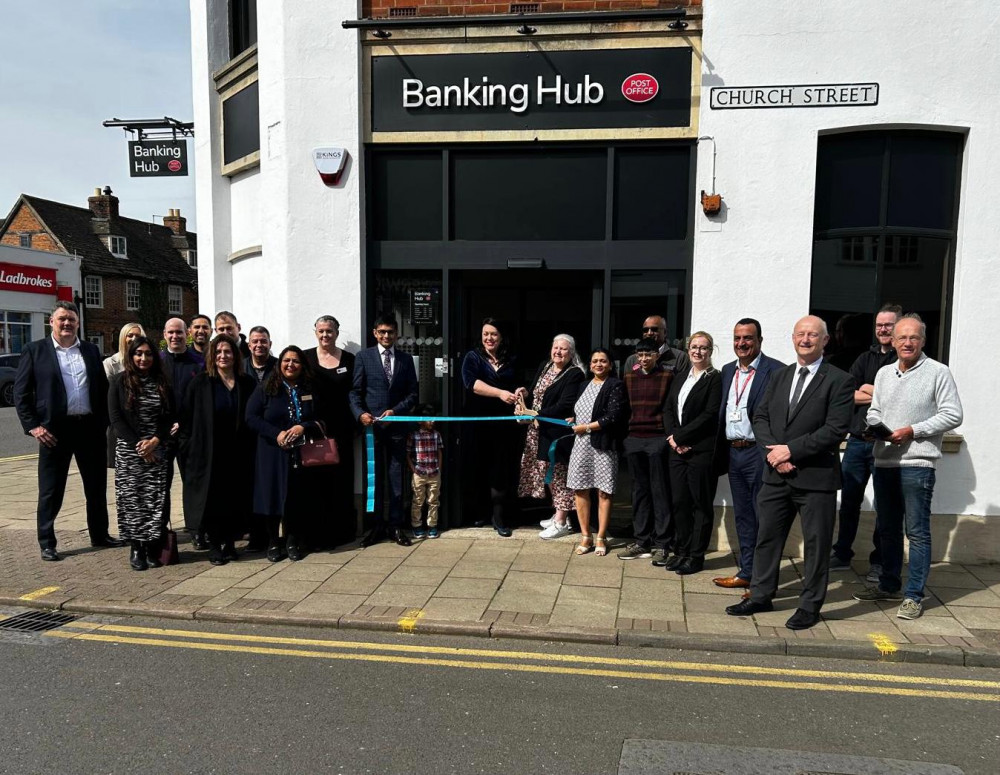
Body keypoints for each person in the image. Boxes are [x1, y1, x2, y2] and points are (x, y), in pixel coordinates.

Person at [725, 315, 853, 630]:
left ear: (825, 340)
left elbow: (835, 429)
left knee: (816, 545)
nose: (805, 339)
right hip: (776, 475)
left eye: (812, 335)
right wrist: (776, 454)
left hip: (816, 478)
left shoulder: (839, 379)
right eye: (800, 334)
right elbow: (761, 416)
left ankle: (809, 606)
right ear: (793, 338)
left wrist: (790, 450)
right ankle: (761, 595)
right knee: (766, 539)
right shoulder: (779, 376)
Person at [853, 315, 963, 620]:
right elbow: (875, 410)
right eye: (901, 337)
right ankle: (888, 584)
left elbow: (953, 414)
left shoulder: (938, 372)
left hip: (918, 463)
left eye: (913, 337)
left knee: (916, 532)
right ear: (893, 341)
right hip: (885, 460)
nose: (907, 342)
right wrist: (871, 427)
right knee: (886, 529)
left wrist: (912, 430)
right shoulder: (885, 373)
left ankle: (914, 595)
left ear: (923, 341)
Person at [14, 301, 121, 560]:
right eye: (62, 319)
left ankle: (100, 534)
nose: (66, 323)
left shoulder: (91, 350)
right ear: (51, 322)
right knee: (51, 490)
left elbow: (101, 390)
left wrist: (105, 421)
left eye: (71, 319)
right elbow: (21, 393)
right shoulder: (34, 350)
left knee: (95, 487)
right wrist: (34, 427)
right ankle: (47, 542)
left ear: (78, 323)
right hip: (54, 432)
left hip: (89, 429)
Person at [830, 304, 901, 578]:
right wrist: (877, 392)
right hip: (858, 441)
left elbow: (897, 396)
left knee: (885, 506)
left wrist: (870, 390)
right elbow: (849, 394)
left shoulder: (904, 359)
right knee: (848, 502)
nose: (883, 329)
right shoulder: (864, 358)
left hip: (886, 443)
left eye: (889, 325)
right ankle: (842, 554)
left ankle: (879, 561)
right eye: (880, 325)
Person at [712, 319, 784, 589]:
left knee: (762, 516)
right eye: (737, 338)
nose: (741, 344)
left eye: (748, 338)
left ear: (760, 341)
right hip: (733, 452)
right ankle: (746, 571)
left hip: (758, 452)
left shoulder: (775, 371)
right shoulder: (728, 370)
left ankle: (764, 580)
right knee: (742, 514)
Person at [179, 334, 257, 565]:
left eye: (228, 351)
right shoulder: (201, 383)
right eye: (219, 352)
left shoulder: (247, 383)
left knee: (235, 499)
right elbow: (186, 419)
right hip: (209, 454)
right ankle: (215, 545)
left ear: (236, 355)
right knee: (213, 501)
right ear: (212, 355)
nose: (224, 356)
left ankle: (230, 543)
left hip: (238, 453)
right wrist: (189, 448)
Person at [246, 346, 325, 561]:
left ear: (302, 365)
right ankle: (273, 542)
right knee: (272, 497)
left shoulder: (309, 388)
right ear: (279, 363)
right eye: (286, 360)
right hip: (272, 452)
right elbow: (251, 418)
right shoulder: (266, 388)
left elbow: (323, 418)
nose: (290, 365)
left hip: (302, 453)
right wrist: (276, 433)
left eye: (296, 361)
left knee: (296, 498)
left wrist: (304, 427)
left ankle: (292, 540)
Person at [349, 314, 419, 547]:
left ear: (397, 334)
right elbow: (355, 392)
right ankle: (376, 526)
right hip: (373, 430)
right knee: (374, 478)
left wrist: (396, 410)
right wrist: (360, 414)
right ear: (375, 333)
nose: (386, 336)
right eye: (382, 332)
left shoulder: (406, 360)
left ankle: (396, 525)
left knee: (396, 477)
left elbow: (413, 394)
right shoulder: (363, 357)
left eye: (390, 332)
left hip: (397, 428)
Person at [108, 336, 175, 571]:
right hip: (129, 451)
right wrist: (140, 446)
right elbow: (116, 418)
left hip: (157, 449)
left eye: (148, 354)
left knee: (154, 501)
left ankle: (150, 547)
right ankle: (135, 547)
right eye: (138, 354)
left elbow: (169, 416)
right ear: (131, 356)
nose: (143, 358)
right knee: (131, 500)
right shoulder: (119, 382)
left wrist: (155, 441)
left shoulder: (162, 382)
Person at [661, 332, 723, 575]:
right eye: (694, 347)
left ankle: (696, 556)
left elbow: (710, 415)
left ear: (711, 351)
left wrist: (681, 437)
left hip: (700, 451)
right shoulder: (681, 376)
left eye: (704, 347)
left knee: (700, 505)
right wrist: (672, 438)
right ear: (688, 349)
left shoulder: (714, 378)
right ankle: (682, 551)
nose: (698, 351)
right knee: (679, 503)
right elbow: (668, 408)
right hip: (677, 450)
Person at [460, 318, 526, 534]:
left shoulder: (512, 359)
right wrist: (499, 393)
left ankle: (499, 518)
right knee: (478, 467)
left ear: (501, 337)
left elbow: (519, 383)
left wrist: (521, 392)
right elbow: (473, 384)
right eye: (486, 333)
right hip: (478, 424)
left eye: (494, 334)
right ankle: (479, 513)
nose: (489, 338)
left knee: (501, 470)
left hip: (504, 427)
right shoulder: (472, 357)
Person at [518, 334, 586, 540]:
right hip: (538, 430)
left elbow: (565, 405)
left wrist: (536, 414)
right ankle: (557, 512)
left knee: (558, 476)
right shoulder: (545, 366)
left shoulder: (574, 374)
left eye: (563, 349)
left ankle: (561, 521)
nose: (558, 352)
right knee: (547, 474)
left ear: (571, 353)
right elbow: (536, 392)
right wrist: (525, 393)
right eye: (555, 347)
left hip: (556, 433)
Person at [566, 348, 629, 556]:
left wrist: (586, 427)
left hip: (603, 445)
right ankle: (586, 536)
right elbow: (581, 411)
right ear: (590, 364)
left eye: (603, 361)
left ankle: (601, 536)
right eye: (595, 361)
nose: (598, 364)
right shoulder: (583, 385)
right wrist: (574, 421)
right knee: (580, 489)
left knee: (604, 491)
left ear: (610, 365)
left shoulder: (615, 385)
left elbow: (613, 417)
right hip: (581, 445)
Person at [617, 337, 675, 562]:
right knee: (639, 492)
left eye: (648, 354)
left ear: (656, 355)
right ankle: (641, 541)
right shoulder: (629, 376)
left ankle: (662, 544)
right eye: (640, 355)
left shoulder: (667, 376)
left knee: (660, 492)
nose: (644, 359)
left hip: (657, 439)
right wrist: (626, 439)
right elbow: (624, 408)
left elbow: (671, 408)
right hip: (634, 439)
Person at [303, 315, 358, 548]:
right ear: (315, 331)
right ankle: (317, 534)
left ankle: (342, 532)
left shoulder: (350, 360)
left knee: (342, 481)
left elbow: (356, 392)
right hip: (314, 431)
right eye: (321, 331)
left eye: (330, 331)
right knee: (316, 482)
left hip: (343, 430)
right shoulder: (305, 358)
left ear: (337, 332)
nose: (325, 335)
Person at [160, 317, 205, 547]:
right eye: (171, 332)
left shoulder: (199, 362)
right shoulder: (156, 362)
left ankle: (197, 530)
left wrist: (184, 422)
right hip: (163, 434)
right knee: (161, 484)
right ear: (164, 334)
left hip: (190, 433)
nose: (175, 336)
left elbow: (202, 400)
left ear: (186, 334)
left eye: (179, 332)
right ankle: (162, 531)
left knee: (193, 483)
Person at [103, 322, 145, 468]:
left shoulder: (148, 362)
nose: (134, 338)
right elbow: (110, 399)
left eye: (137, 335)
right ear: (123, 338)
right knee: (125, 479)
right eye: (130, 335)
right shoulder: (110, 364)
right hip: (121, 428)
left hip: (146, 428)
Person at [407, 405, 445, 539]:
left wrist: (439, 468)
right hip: (419, 473)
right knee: (418, 500)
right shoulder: (414, 435)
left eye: (434, 419)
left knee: (433, 500)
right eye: (429, 419)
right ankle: (416, 526)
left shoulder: (436, 435)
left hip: (434, 473)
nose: (432, 422)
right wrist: (414, 470)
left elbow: (439, 452)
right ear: (420, 421)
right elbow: (408, 453)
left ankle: (432, 525)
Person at [623, 315, 689, 374]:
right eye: (645, 330)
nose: (649, 333)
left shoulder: (680, 358)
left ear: (665, 332)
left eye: (654, 329)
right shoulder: (632, 360)